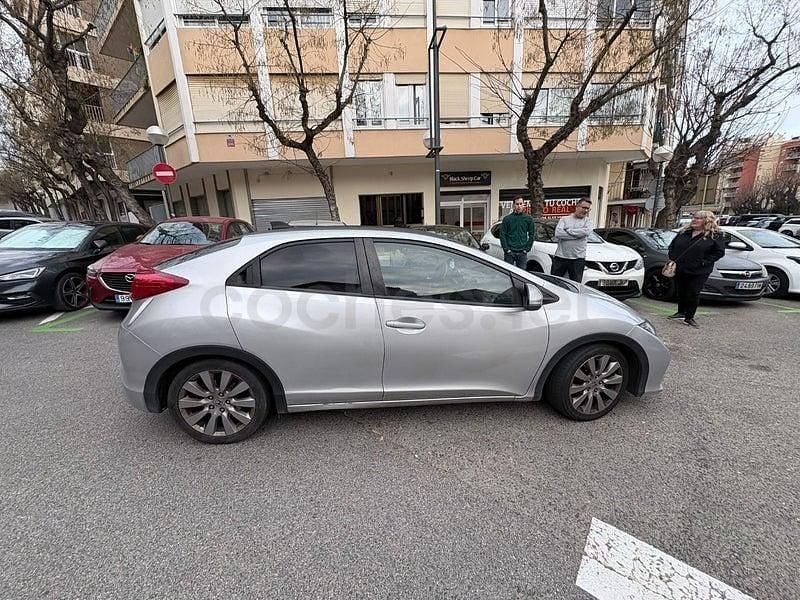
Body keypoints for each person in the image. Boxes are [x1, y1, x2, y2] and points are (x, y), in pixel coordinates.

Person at [666, 210, 725, 328]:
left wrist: (704, 262)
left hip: (699, 270)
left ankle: (689, 317)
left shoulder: (714, 235)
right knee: (681, 290)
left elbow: (719, 252)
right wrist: (673, 257)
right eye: (694, 217)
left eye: (698, 218)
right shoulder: (684, 232)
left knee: (693, 292)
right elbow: (672, 245)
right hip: (681, 267)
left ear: (706, 221)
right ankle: (681, 311)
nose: (694, 220)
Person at [551, 198, 594, 282]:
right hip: (561, 257)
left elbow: (586, 232)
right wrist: (578, 235)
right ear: (577, 206)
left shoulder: (588, 221)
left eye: (587, 208)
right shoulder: (564, 219)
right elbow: (558, 234)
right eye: (583, 207)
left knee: (575, 285)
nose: (585, 210)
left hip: (578, 259)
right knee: (555, 282)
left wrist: (569, 230)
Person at [500, 197, 535, 268]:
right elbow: (502, 235)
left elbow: (532, 234)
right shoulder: (507, 219)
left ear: (523, 205)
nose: (519, 206)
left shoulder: (528, 219)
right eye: (517, 204)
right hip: (510, 252)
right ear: (513, 205)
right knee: (507, 273)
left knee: (522, 275)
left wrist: (527, 249)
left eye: (521, 204)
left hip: (522, 252)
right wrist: (506, 249)